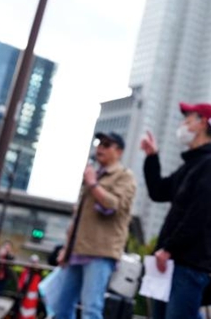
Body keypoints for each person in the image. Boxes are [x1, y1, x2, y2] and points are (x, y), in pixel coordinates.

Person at [140, 102, 211, 319]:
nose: (182, 125)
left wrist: (169, 248)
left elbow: (199, 215)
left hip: (190, 264)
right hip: (171, 262)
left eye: (188, 120)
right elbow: (158, 191)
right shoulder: (192, 165)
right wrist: (152, 157)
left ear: (202, 123)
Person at [52, 132, 137, 319]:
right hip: (77, 250)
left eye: (107, 145)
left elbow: (113, 205)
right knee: (61, 307)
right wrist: (67, 248)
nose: (100, 148)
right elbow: (78, 217)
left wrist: (92, 184)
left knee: (91, 309)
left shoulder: (124, 176)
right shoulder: (95, 175)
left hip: (101, 252)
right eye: (99, 143)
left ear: (119, 152)